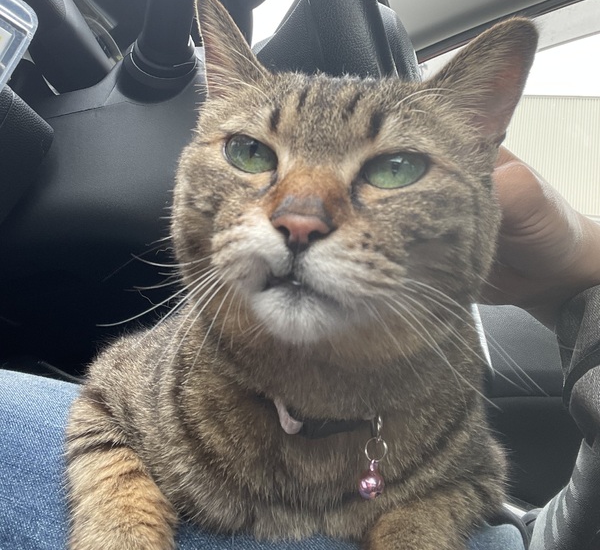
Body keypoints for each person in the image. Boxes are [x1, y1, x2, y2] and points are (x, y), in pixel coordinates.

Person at [2, 148, 599, 550]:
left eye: (391, 167)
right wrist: (120, 519)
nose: (300, 218)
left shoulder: (446, 384)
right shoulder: (188, 364)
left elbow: (474, 479)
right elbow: (108, 400)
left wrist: (415, 528)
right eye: (251, 152)